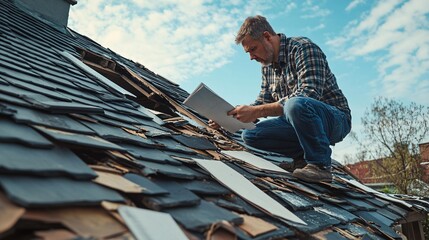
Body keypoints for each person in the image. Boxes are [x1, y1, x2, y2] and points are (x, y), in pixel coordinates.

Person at [212, 15, 351, 182]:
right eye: (248, 52)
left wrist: (257, 111)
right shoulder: (267, 67)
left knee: (296, 104)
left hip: (335, 120)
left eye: (253, 49)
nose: (251, 57)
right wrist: (230, 119)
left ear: (267, 36)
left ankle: (320, 165)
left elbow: (308, 94)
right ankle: (301, 160)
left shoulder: (303, 49)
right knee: (250, 135)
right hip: (297, 123)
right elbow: (262, 103)